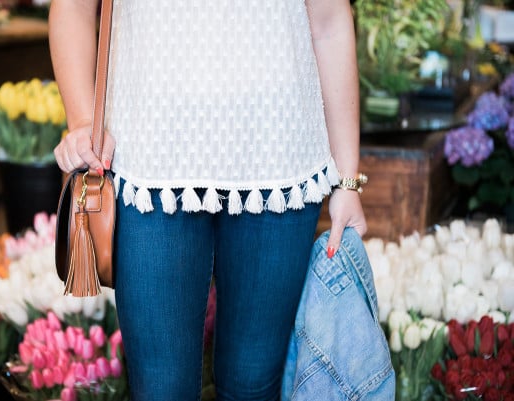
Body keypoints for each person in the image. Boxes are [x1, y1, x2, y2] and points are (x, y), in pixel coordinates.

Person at [48, 0, 366, 400]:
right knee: (160, 389)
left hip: (280, 157)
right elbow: (73, 7)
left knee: (253, 385)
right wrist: (80, 121)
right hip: (147, 161)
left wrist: (348, 181)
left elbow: (330, 21)